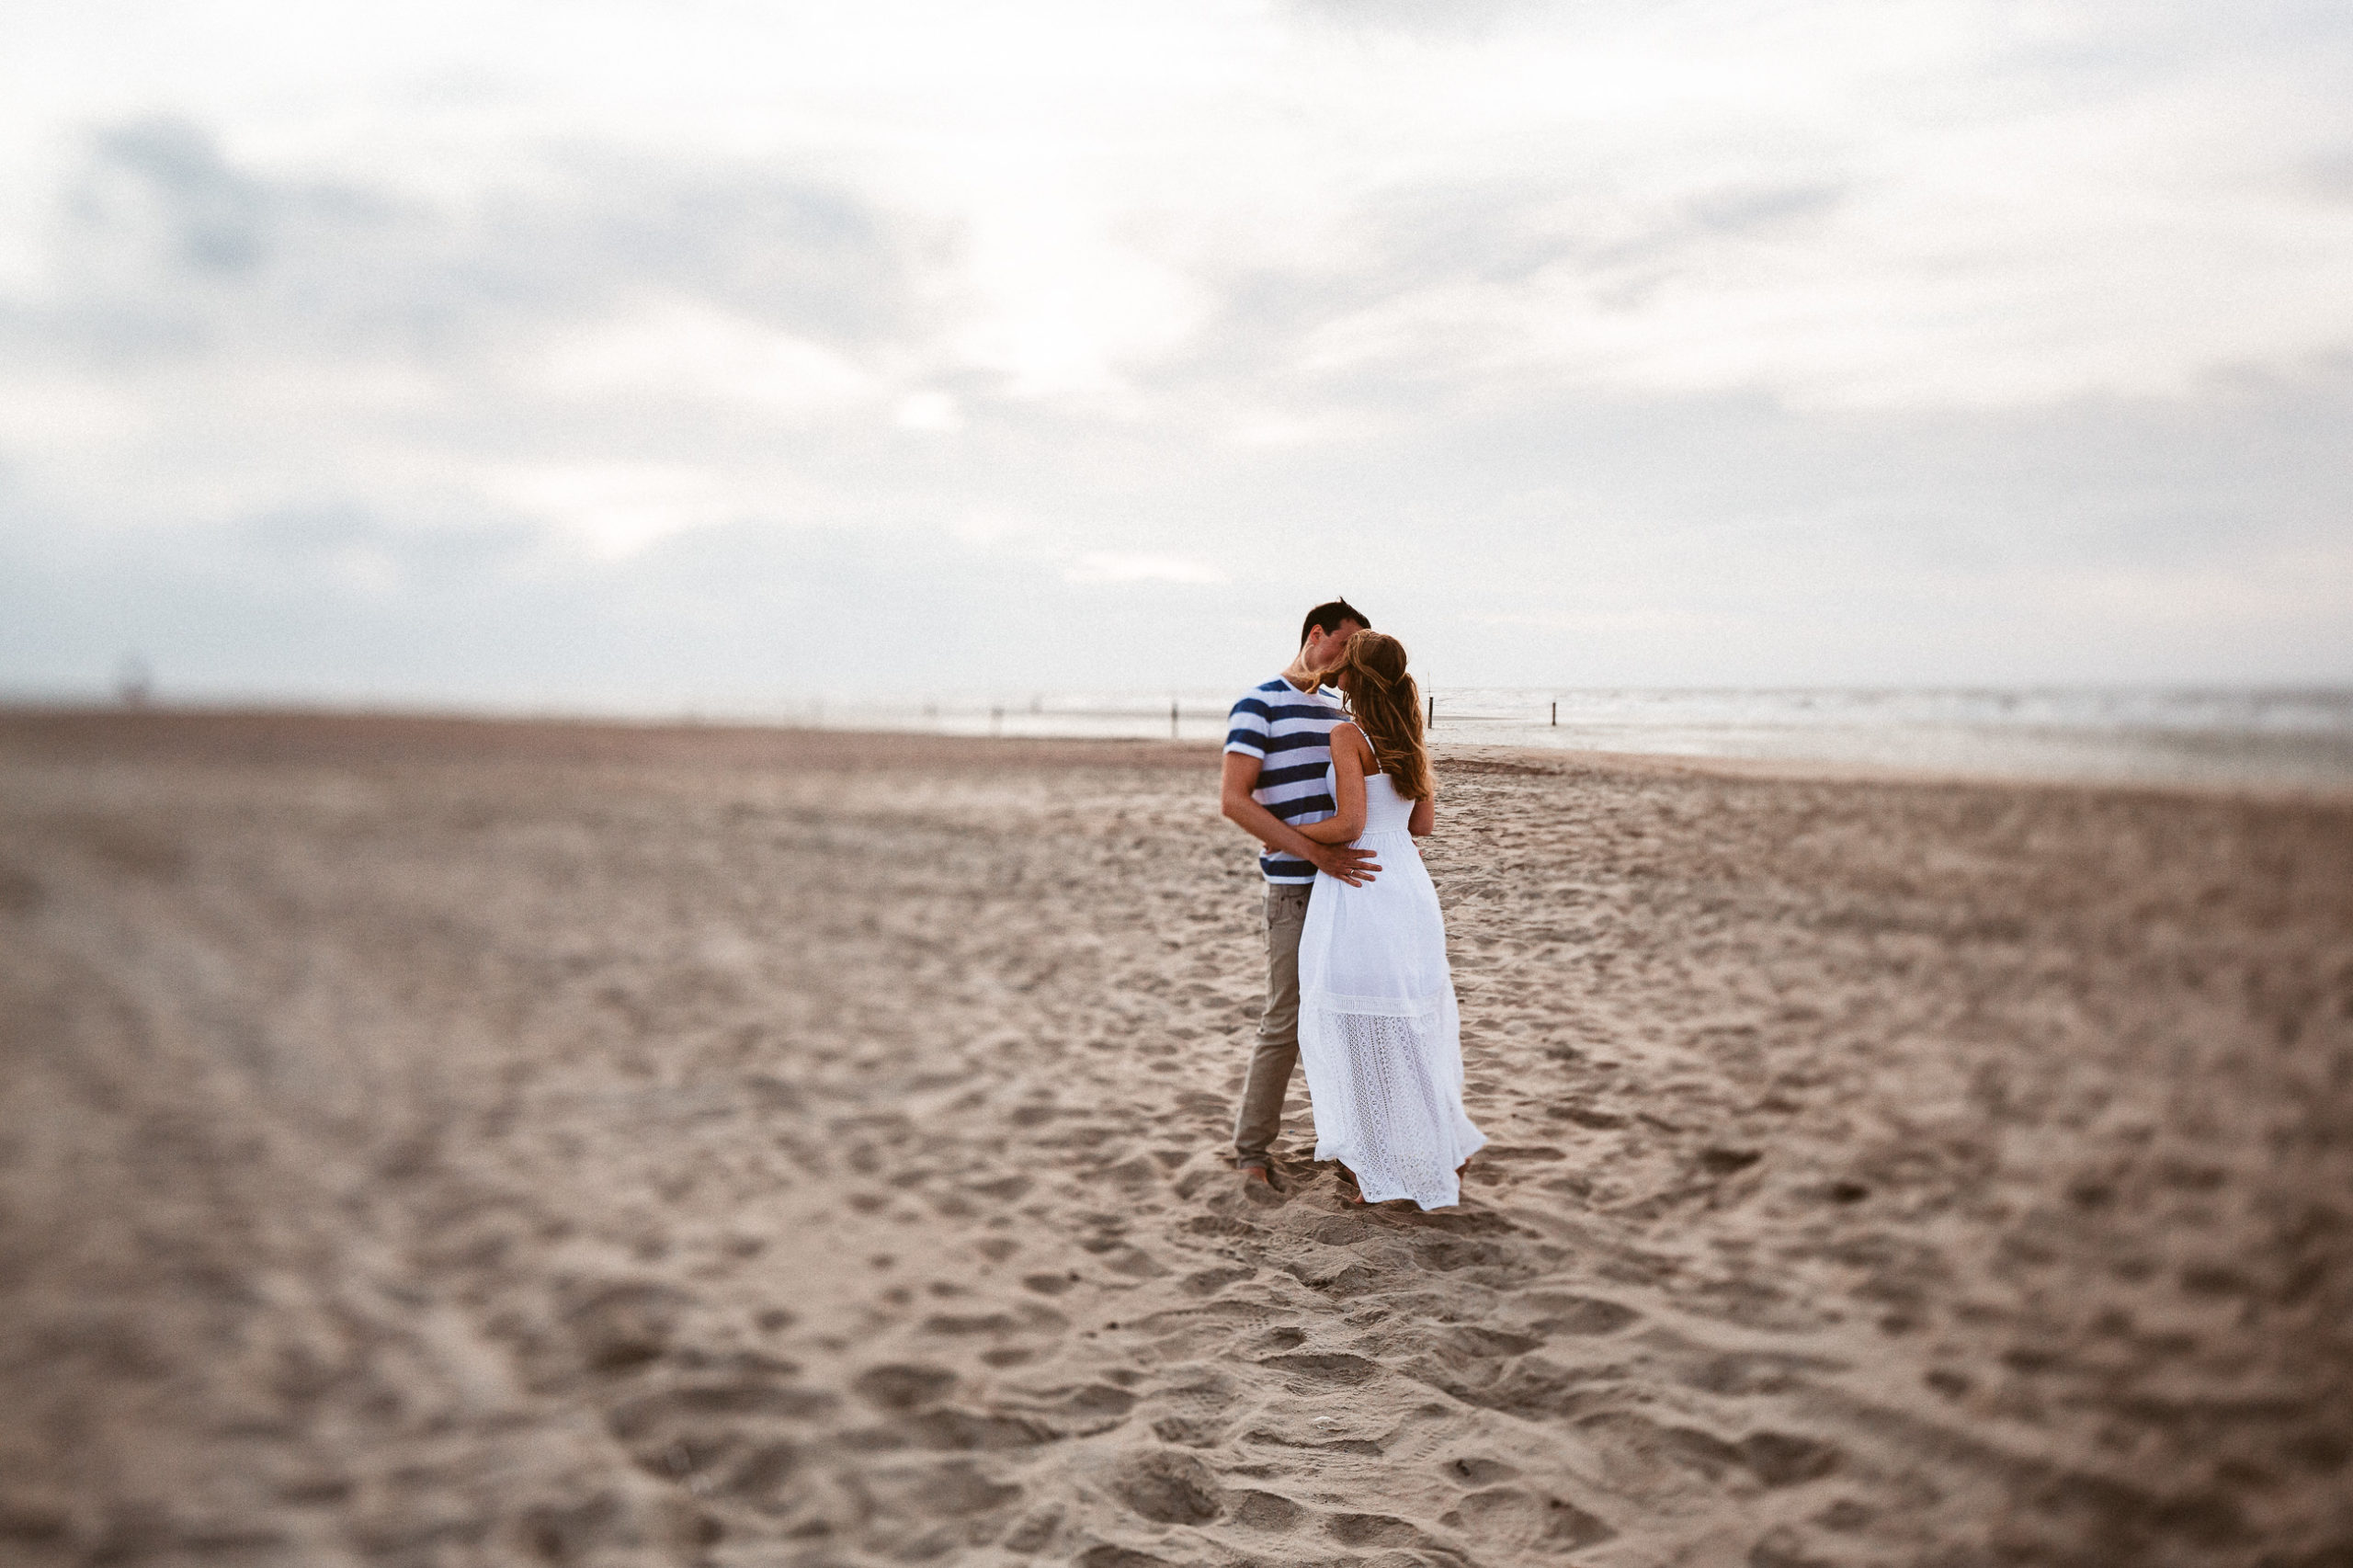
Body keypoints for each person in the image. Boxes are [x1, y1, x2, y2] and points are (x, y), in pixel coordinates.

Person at [1287, 630, 1484, 1209]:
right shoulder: (1409, 736)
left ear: (1355, 676)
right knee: (1410, 1022)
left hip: (1361, 885)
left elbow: (1349, 825)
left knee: (1350, 1024)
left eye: (1344, 665)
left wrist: (1291, 832)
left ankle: (1367, 1164)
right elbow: (1421, 825)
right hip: (1407, 886)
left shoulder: (1348, 735)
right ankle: (1443, 1145)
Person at [1220, 599, 1381, 1193]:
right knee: (1285, 1021)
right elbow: (1234, 801)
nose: (1349, 662)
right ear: (1316, 635)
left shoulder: (1342, 713)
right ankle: (1251, 1152)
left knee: (1348, 1021)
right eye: (1344, 647)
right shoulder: (1259, 703)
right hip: (1293, 888)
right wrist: (1312, 851)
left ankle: (1354, 1149)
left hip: (1349, 889)